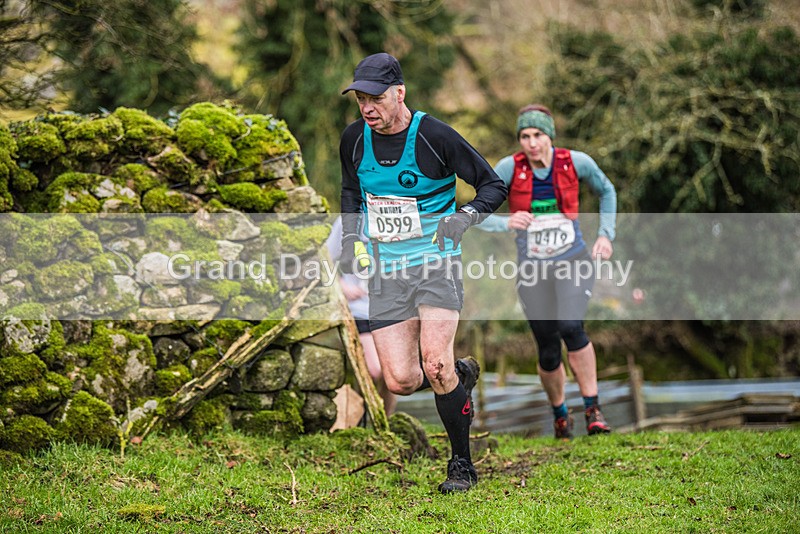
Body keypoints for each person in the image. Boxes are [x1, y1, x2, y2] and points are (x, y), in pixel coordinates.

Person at [339, 52, 507, 493]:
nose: (368, 107)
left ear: (400, 93)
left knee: (434, 364)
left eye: (375, 97)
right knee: (403, 379)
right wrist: (353, 240)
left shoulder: (435, 137)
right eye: (360, 99)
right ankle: (461, 378)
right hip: (385, 271)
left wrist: (465, 216)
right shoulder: (354, 140)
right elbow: (351, 191)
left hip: (436, 264)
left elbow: (493, 185)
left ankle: (461, 466)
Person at [478, 104, 616, 439]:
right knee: (548, 346)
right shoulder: (510, 167)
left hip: (573, 260)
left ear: (549, 135)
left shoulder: (576, 162)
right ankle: (559, 415)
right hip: (532, 270)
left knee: (570, 326)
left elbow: (607, 191)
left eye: (538, 134)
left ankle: (593, 408)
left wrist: (605, 235)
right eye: (524, 136)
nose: (531, 142)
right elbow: (479, 209)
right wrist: (505, 221)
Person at [326, 216, 397, 417]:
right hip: (359, 310)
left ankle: (385, 421)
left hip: (391, 309)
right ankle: (365, 417)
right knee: (375, 370)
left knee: (394, 373)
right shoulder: (348, 221)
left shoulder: (397, 217)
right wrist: (342, 286)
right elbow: (324, 258)